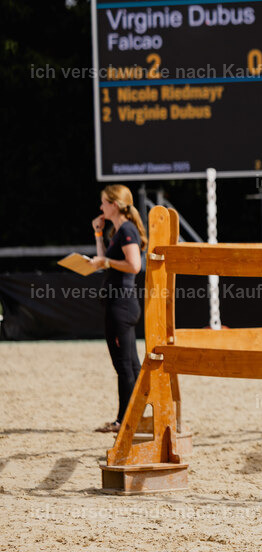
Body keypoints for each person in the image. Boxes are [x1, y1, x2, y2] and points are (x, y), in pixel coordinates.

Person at [89, 185, 147, 432]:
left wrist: (106, 261)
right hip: (119, 303)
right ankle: (132, 418)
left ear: (114, 204)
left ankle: (124, 421)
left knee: (125, 366)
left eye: (104, 202)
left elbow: (134, 265)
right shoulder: (118, 230)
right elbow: (104, 263)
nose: (100, 207)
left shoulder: (127, 230)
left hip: (121, 304)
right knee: (130, 365)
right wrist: (98, 235)